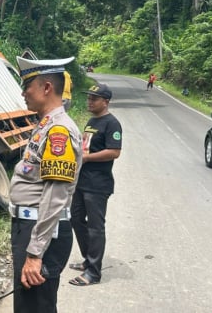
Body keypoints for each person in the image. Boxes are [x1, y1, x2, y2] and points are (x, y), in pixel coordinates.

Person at [8, 55, 83, 312]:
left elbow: (55, 195)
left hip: (41, 230)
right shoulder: (45, 125)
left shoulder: (58, 131)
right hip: (31, 226)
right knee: (30, 306)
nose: (23, 92)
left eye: (27, 86)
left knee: (36, 307)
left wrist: (35, 253)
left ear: (47, 87)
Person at [68, 83, 122, 287]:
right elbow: (85, 145)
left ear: (105, 102)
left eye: (94, 98)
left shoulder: (112, 124)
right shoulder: (91, 121)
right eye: (89, 97)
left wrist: (88, 158)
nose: (89, 101)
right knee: (75, 219)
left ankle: (93, 272)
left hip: (98, 185)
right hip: (82, 181)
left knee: (95, 227)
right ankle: (88, 259)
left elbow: (114, 152)